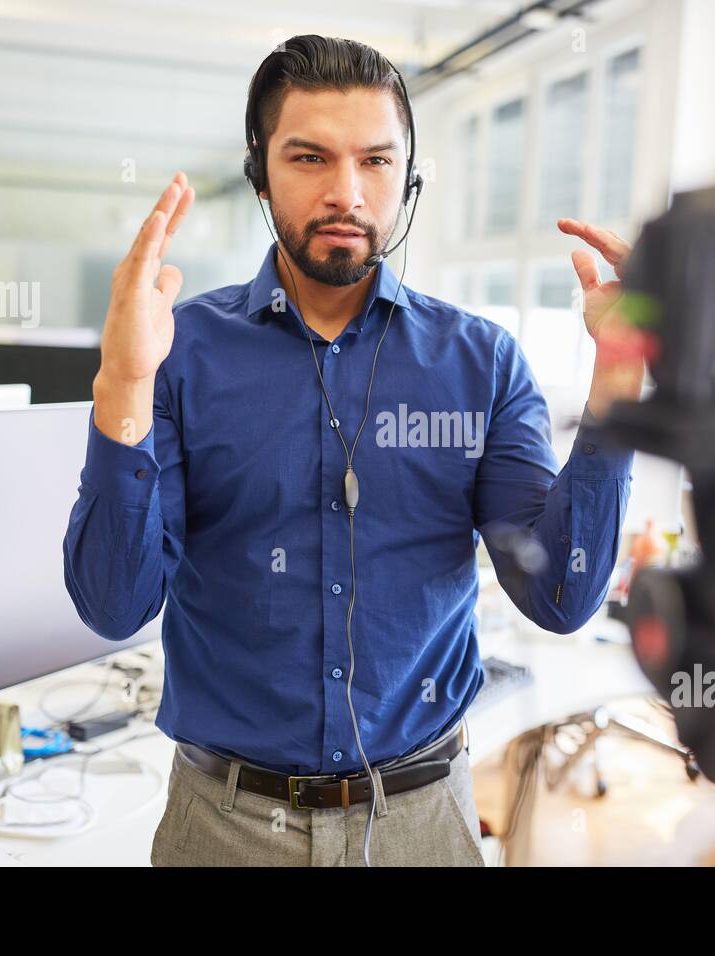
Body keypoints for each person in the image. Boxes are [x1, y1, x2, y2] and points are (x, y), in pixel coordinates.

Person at [63, 35, 643, 867]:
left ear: (408, 178)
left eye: (376, 161)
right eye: (309, 157)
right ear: (260, 173)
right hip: (221, 827)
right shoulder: (177, 352)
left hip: (423, 823)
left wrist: (618, 391)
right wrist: (122, 383)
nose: (346, 192)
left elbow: (560, 594)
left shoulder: (481, 362)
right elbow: (113, 605)